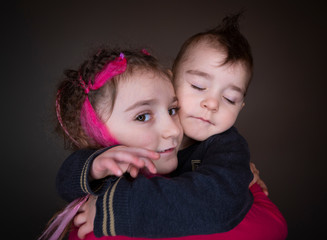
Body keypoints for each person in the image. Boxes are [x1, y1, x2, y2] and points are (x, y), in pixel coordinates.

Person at [57, 13, 287, 240]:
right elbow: (66, 181)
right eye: (198, 86)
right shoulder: (131, 142)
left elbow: (214, 204)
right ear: (171, 80)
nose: (212, 104)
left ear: (241, 106)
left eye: (230, 99)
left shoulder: (229, 147)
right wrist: (94, 166)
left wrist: (117, 209)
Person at [39, 48, 184, 240]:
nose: (173, 130)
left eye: (173, 110)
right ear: (94, 131)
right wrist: (92, 167)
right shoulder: (103, 220)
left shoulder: (200, 161)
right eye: (143, 116)